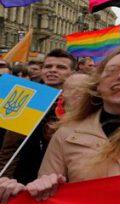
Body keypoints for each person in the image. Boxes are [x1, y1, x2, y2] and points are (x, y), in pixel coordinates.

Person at [0, 47, 120, 203]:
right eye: (111, 71)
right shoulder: (66, 133)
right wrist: (40, 186)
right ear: (98, 85)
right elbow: (44, 195)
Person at [0, 49, 76, 183]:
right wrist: (4, 178)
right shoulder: (30, 97)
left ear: (72, 73)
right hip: (22, 178)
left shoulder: (79, 104)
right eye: (48, 66)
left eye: (61, 67)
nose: (52, 70)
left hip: (58, 179)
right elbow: (10, 147)